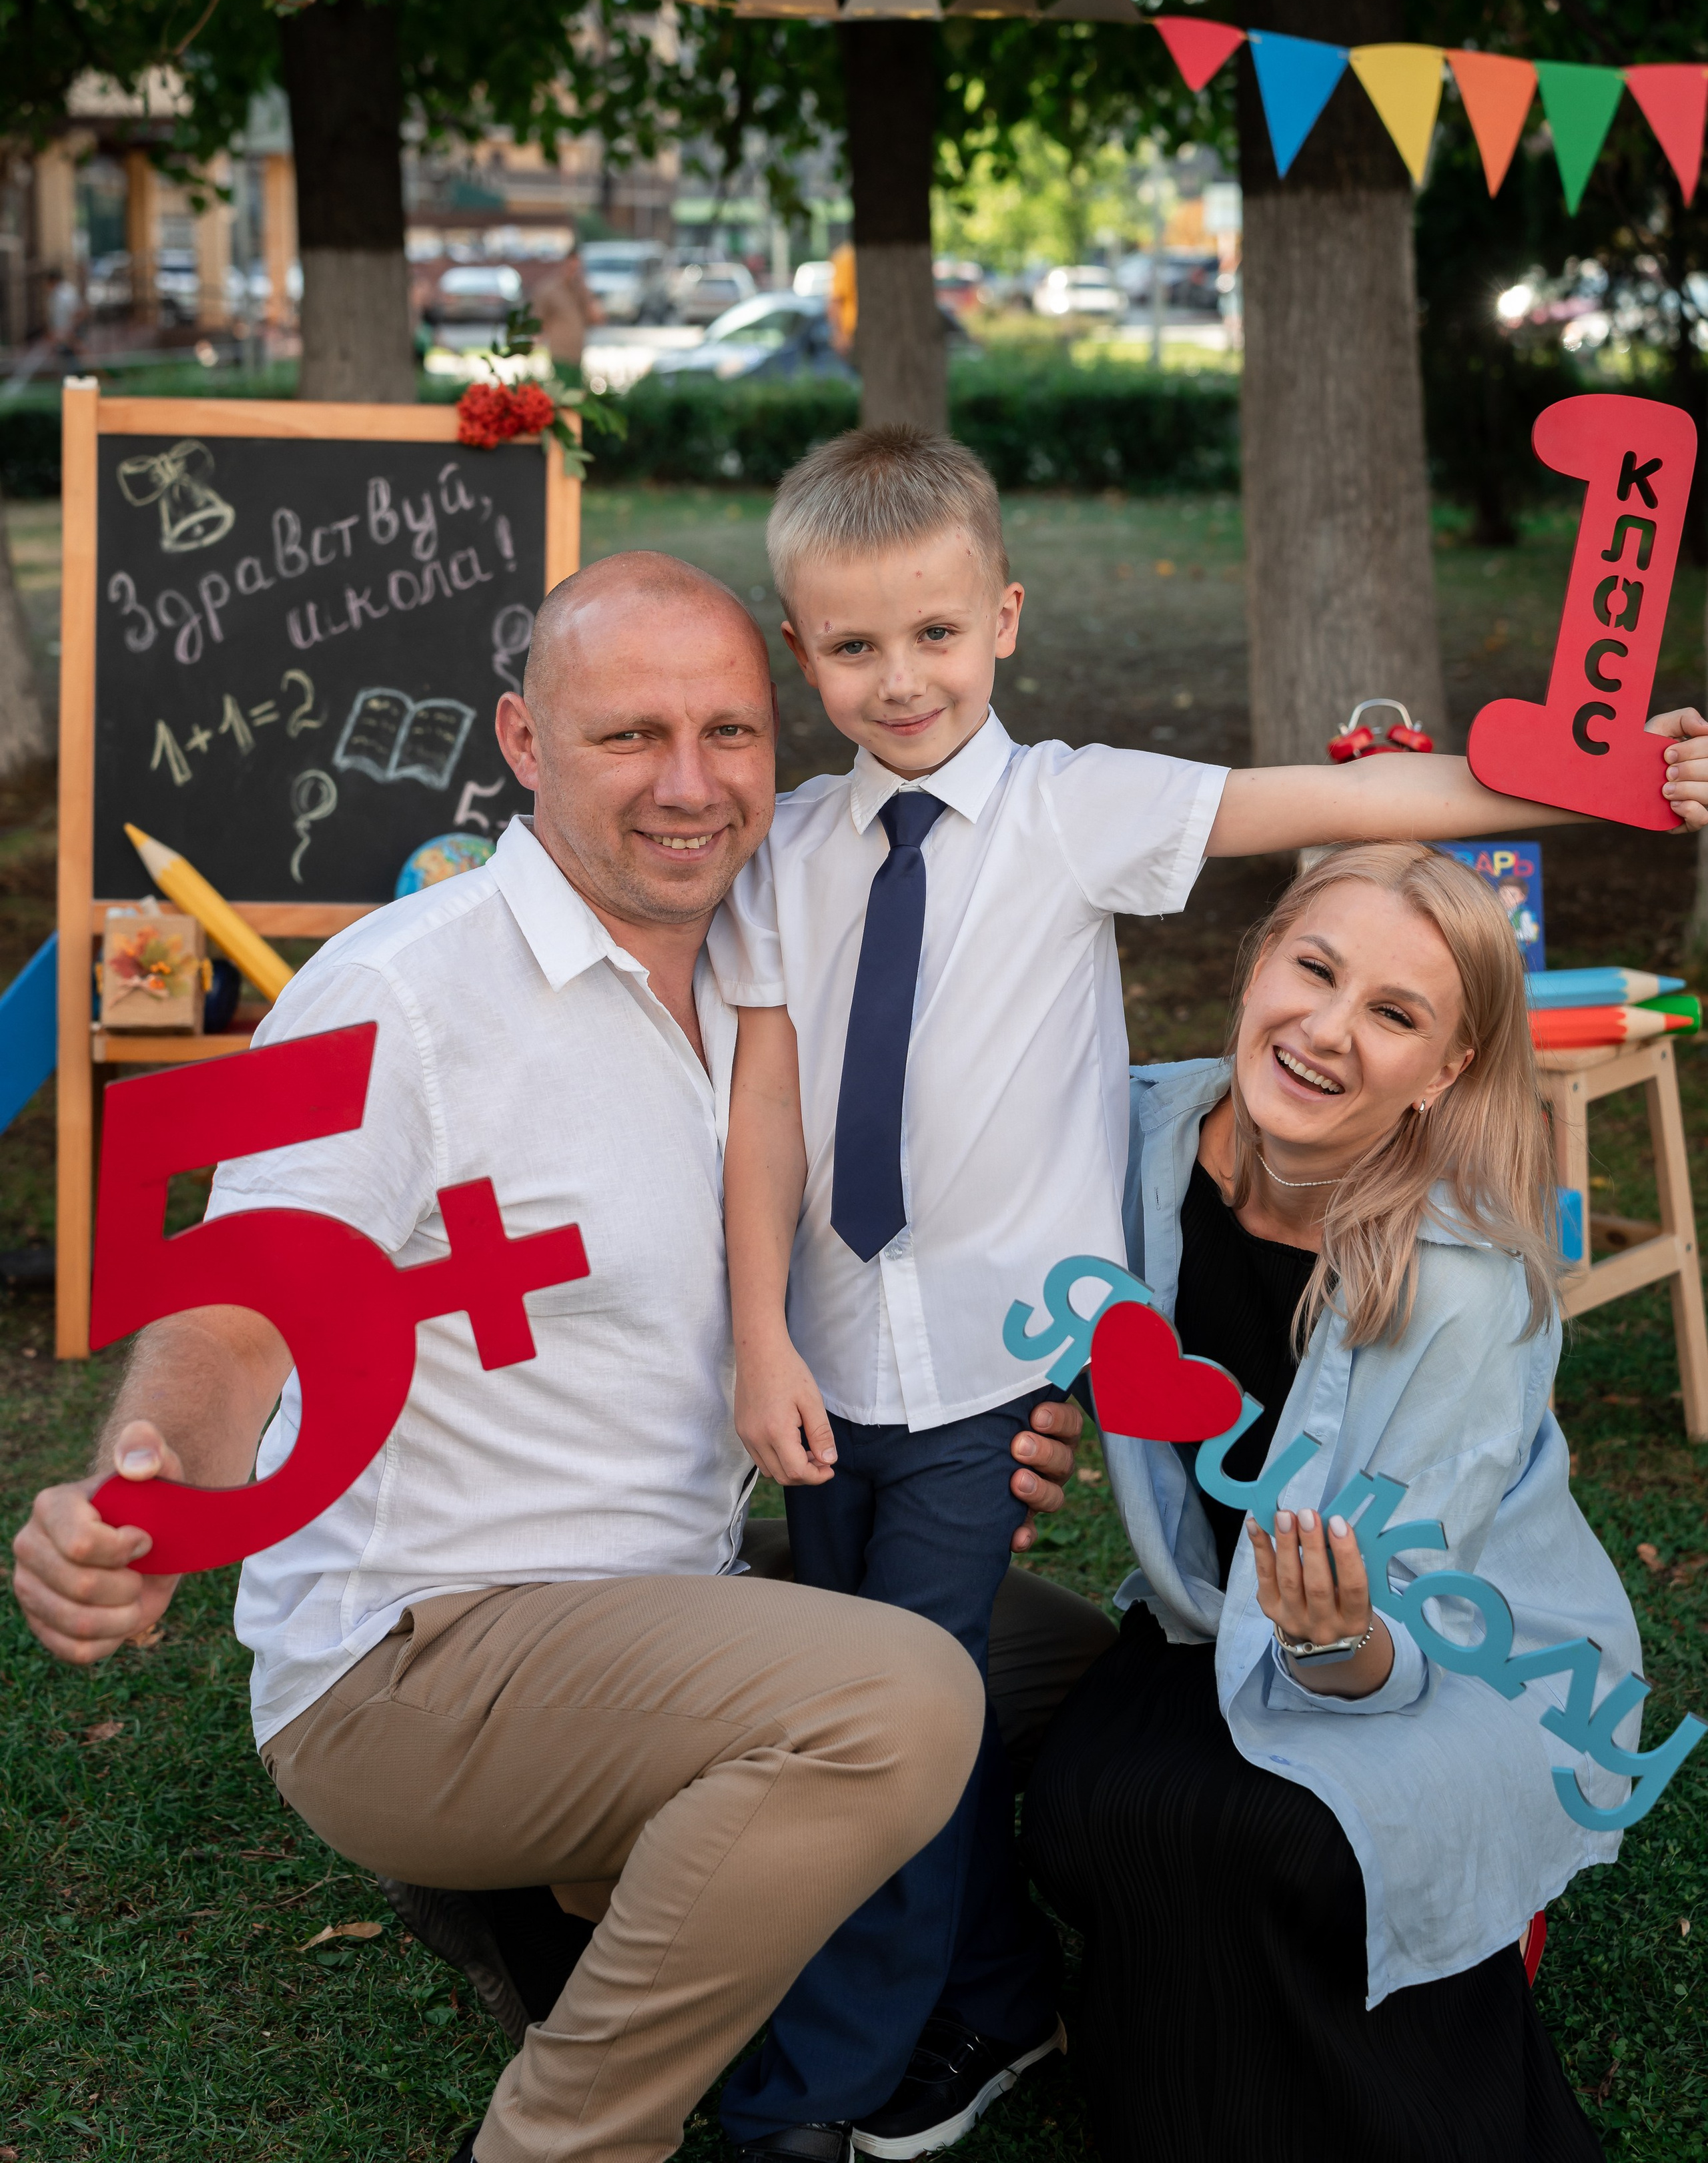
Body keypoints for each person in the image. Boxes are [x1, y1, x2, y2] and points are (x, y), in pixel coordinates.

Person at [10, 551, 1090, 2163]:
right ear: (520, 738)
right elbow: (237, 1310)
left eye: (728, 732)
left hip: (674, 1589)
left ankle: (675, 1884)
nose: (686, 783)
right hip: (423, 1655)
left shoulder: (766, 967)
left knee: (1069, 1674)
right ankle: (576, 2131)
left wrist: (984, 1425)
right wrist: (151, 1479)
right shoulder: (390, 993)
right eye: (626, 734)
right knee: (901, 1695)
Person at [713, 422, 1708, 2163]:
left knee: (1005, 1748)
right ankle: (1020, 2003)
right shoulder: (854, 896)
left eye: (936, 633)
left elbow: (1344, 802)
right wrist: (807, 1340)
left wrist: (1597, 777)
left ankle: (861, 2072)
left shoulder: (1071, 811)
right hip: (966, 1451)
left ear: (1004, 618)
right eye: (854, 644)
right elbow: (816, 1119)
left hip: (1365, 1625)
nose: (900, 677)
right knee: (934, 1731)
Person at [1024, 841, 1639, 2162]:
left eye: (1393, 1014)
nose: (1325, 1030)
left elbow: (1414, 1610)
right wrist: (1002, 1434)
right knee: (1089, 1802)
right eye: (1314, 969)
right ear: (1257, 962)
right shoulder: (1117, 1136)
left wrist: (1339, 1649)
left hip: (1460, 1658)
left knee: (1293, 1836)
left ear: (1447, 1070)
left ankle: (1444, 2072)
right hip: (1211, 1620)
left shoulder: (1464, 1280)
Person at [532, 234, 603, 379]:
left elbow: (597, 319)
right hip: (560, 354)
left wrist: (585, 292)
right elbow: (539, 320)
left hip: (578, 354)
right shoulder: (550, 290)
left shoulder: (582, 291)